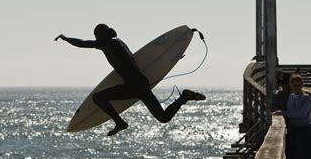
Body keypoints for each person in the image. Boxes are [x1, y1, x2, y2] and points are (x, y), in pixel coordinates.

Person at [55, 23, 206, 136]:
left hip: (133, 86)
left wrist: (66, 38)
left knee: (98, 98)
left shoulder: (106, 43)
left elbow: (82, 43)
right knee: (163, 118)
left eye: (97, 37)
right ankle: (184, 97)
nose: (96, 40)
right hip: (141, 82)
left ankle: (120, 122)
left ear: (100, 36)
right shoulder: (118, 42)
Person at [273, 74, 311, 159]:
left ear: (302, 85)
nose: (296, 87)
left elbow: (301, 115)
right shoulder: (291, 96)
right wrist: (284, 112)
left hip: (304, 128)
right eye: (294, 85)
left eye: (299, 85)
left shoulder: (306, 98)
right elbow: (292, 112)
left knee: (303, 153)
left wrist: (283, 112)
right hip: (294, 128)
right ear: (291, 85)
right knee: (294, 153)